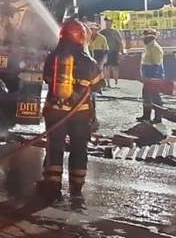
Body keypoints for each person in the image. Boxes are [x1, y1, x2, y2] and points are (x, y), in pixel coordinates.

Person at [38, 19, 101, 198]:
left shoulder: (53, 57)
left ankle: (52, 184)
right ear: (81, 37)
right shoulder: (88, 60)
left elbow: (46, 78)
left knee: (54, 147)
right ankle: (76, 186)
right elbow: (98, 85)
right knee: (79, 148)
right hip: (80, 115)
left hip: (55, 111)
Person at [138, 29, 165, 123]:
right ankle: (146, 116)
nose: (143, 38)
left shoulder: (155, 48)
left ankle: (158, 117)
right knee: (146, 96)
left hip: (153, 76)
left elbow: (157, 64)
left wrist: (152, 78)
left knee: (155, 97)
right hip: (147, 76)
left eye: (145, 36)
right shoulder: (148, 47)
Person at [101, 17, 124, 88]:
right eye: (106, 22)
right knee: (106, 68)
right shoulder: (102, 32)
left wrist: (121, 51)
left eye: (109, 22)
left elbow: (120, 42)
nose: (107, 24)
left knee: (115, 67)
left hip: (114, 51)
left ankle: (116, 81)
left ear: (111, 23)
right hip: (106, 52)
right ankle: (108, 83)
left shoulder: (115, 32)